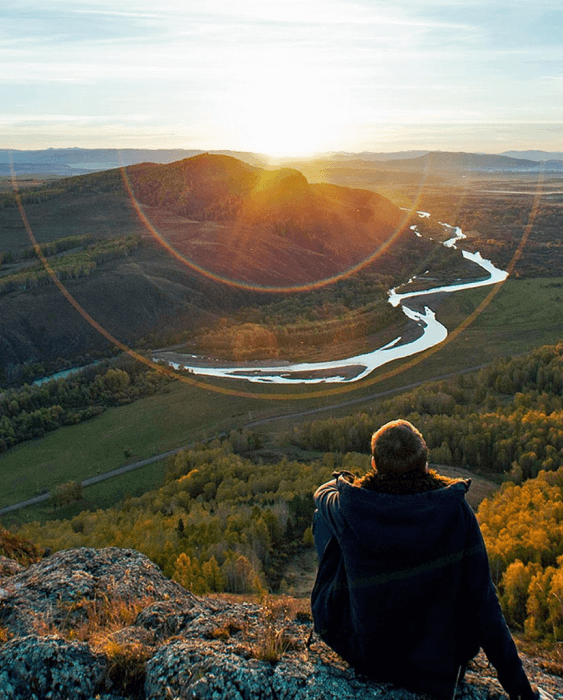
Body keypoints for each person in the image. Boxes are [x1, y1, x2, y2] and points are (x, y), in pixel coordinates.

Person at [311, 419, 547, 700]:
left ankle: (346, 613)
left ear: (374, 465)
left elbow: (321, 494)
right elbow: (485, 605)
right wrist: (520, 689)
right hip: (437, 663)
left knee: (323, 522)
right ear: (425, 465)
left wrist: (343, 481)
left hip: (367, 654)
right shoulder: (456, 511)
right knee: (473, 588)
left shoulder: (351, 505)